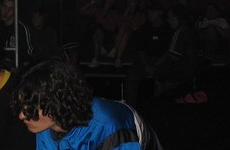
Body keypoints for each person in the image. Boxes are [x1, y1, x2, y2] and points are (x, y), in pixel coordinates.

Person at [14, 58, 163, 149]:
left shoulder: (109, 127)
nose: (21, 115)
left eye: (31, 108)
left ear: (57, 104)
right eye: (22, 106)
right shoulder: (45, 124)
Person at [124, 0, 173, 107]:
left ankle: (159, 107)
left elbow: (168, 51)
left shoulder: (168, 28)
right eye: (148, 11)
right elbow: (141, 50)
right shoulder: (145, 28)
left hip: (162, 60)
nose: (150, 14)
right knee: (132, 74)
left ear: (160, 12)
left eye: (153, 11)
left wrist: (155, 65)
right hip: (145, 60)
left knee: (164, 76)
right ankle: (130, 107)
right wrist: (146, 64)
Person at [0, 0, 34, 68]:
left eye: (10, 9)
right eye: (4, 7)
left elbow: (27, 56)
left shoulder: (21, 28)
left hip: (15, 70)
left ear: (15, 10)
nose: (6, 11)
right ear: (0, 7)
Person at [80, 0, 120, 68]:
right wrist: (91, 3)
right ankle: (98, 54)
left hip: (108, 32)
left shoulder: (114, 12)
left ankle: (96, 58)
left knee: (96, 29)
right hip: (98, 31)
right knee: (96, 32)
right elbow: (81, 11)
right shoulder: (98, 10)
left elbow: (114, 26)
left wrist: (104, 25)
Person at [111, 0, 146, 67]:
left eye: (131, 1)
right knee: (125, 32)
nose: (129, 3)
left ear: (136, 2)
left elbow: (136, 25)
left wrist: (128, 22)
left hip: (135, 33)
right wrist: (126, 14)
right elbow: (119, 24)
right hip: (124, 33)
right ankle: (118, 59)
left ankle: (115, 49)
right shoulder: (126, 13)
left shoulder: (140, 13)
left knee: (125, 29)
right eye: (128, 1)